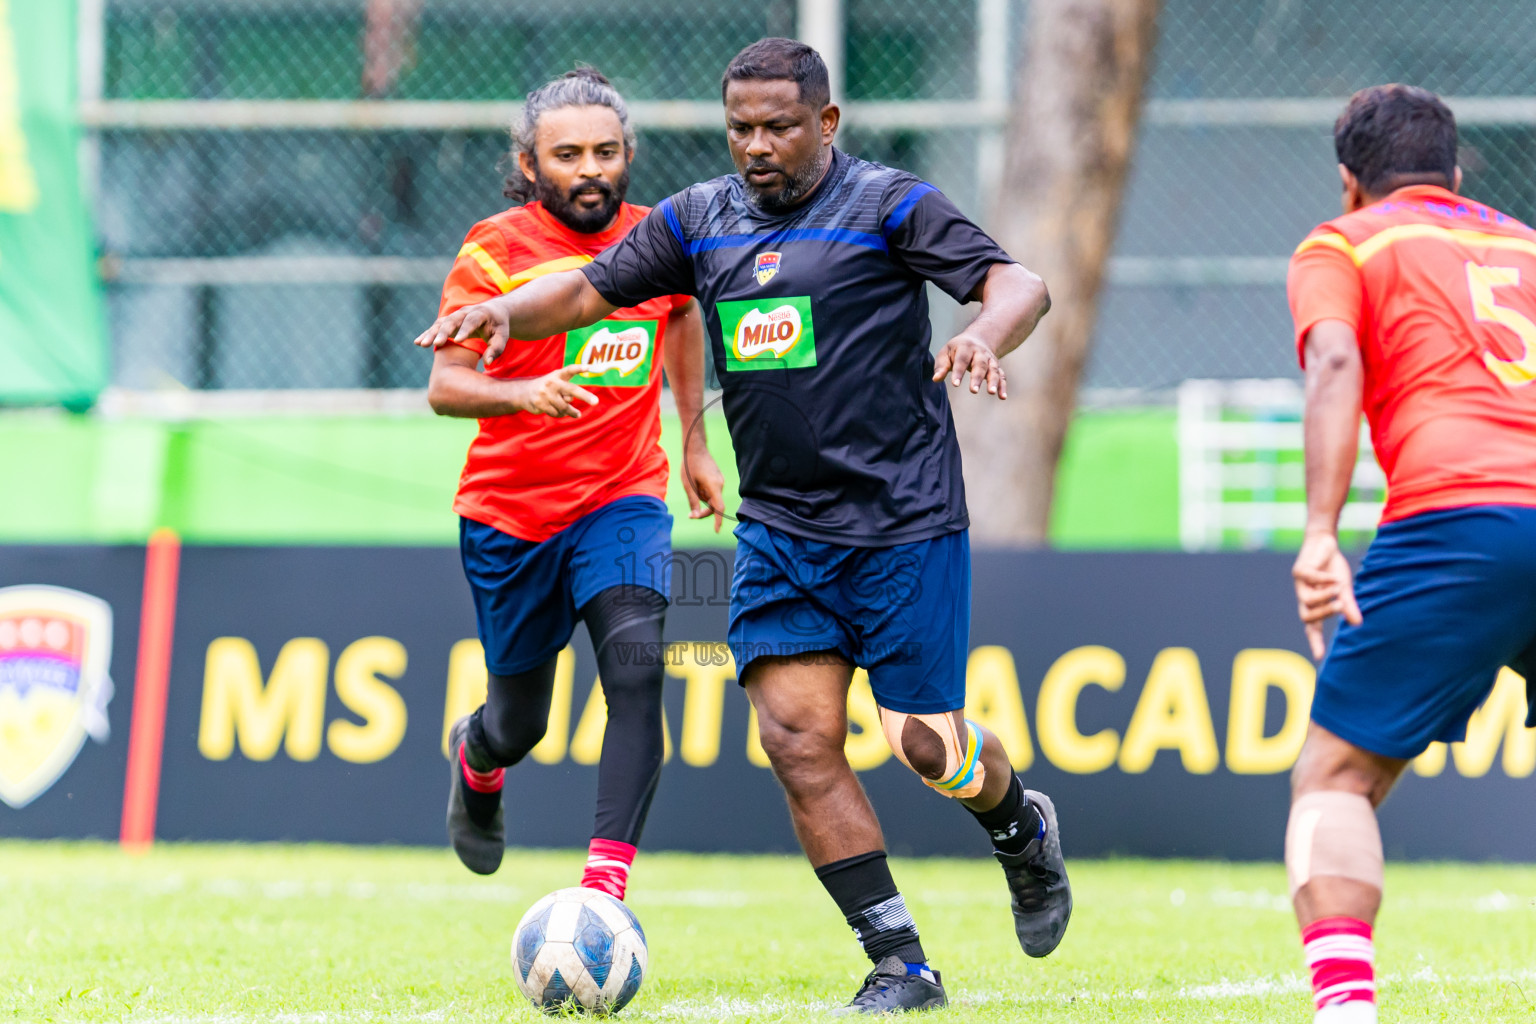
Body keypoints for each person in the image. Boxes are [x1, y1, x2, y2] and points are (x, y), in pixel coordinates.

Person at [416, 39, 1070, 1014]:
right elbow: (589, 288)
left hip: (902, 523)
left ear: (827, 124)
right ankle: (901, 963)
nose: (757, 145)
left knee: (927, 746)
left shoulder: (889, 204)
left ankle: (1020, 826)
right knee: (797, 738)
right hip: (781, 531)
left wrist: (978, 332)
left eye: (779, 127)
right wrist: (510, 313)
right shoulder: (698, 220)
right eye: (741, 128)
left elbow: (1019, 283)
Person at [424, 67, 724, 901]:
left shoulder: (658, 237)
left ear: (628, 154)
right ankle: (478, 761)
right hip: (510, 518)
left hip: (625, 500)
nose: (589, 169)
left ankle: (602, 894)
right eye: (567, 155)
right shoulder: (493, 250)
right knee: (521, 724)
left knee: (637, 673)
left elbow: (684, 314)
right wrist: (519, 392)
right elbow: (445, 386)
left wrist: (694, 439)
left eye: (604, 151)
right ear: (529, 163)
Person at [1285, 83, 1536, 1024]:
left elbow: (1337, 365)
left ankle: (1347, 1013)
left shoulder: (1342, 243)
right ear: (1458, 172)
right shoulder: (1525, 244)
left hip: (1461, 517)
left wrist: (1320, 536)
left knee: (1338, 776)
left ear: (1351, 182)